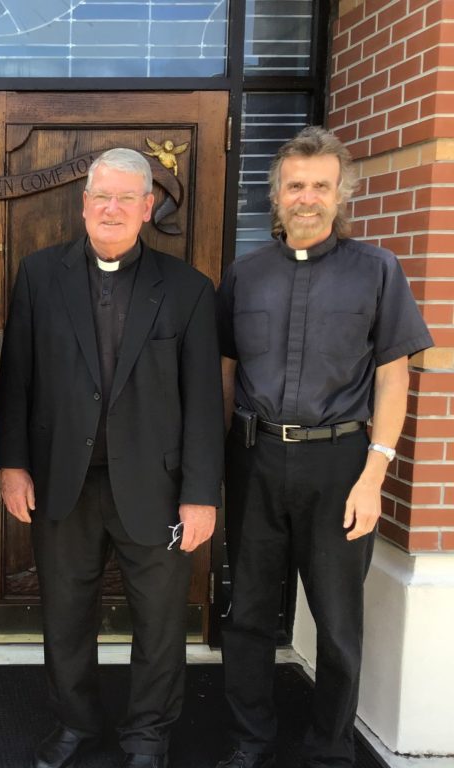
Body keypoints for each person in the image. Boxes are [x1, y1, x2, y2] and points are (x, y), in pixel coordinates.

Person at [0, 148, 224, 768]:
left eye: (128, 197)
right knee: (65, 615)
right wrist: (11, 465)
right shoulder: (40, 275)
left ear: (149, 207)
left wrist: (202, 493)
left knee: (159, 623)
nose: (113, 208)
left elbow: (205, 400)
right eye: (102, 196)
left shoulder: (188, 290)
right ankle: (75, 724)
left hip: (157, 486)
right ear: (84, 204)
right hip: (60, 482)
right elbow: (16, 376)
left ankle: (147, 736)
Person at [215, 127, 433, 768]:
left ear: (341, 196)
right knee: (248, 611)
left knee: (338, 623)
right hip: (254, 459)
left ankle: (330, 751)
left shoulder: (377, 271)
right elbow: (225, 371)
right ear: (275, 198)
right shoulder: (245, 273)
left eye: (320, 186)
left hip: (341, 465)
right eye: (294, 186)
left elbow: (394, 376)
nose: (306, 198)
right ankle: (247, 739)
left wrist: (376, 475)